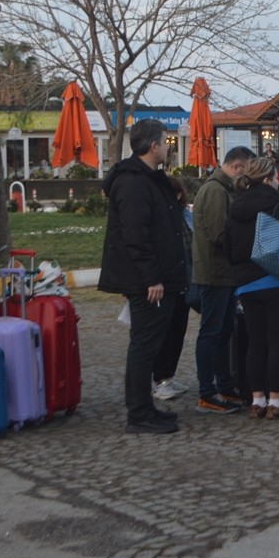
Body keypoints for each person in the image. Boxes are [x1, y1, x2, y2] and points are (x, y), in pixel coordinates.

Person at [98, 120, 188, 435]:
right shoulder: (133, 183)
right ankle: (138, 414)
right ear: (153, 146)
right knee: (144, 347)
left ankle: (146, 409)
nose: (168, 147)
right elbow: (135, 235)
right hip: (146, 282)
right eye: (165, 141)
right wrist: (151, 278)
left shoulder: (149, 178)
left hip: (157, 277)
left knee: (149, 345)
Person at [226, 157, 279, 420]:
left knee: (256, 342)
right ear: (267, 179)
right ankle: (275, 400)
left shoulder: (235, 208)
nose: (277, 182)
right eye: (276, 178)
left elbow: (227, 248)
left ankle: (257, 400)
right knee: (278, 342)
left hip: (247, 285)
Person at [192, 145, 255, 415]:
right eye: (247, 170)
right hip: (214, 273)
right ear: (236, 166)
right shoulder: (216, 191)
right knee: (211, 332)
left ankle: (224, 386)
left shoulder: (223, 189)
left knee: (224, 331)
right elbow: (219, 233)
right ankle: (207, 392)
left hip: (224, 273)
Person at [151, 176, 196, 401]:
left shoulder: (185, 215)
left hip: (185, 279)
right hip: (168, 281)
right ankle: (160, 379)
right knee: (166, 333)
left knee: (179, 330)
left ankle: (168, 376)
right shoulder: (160, 218)